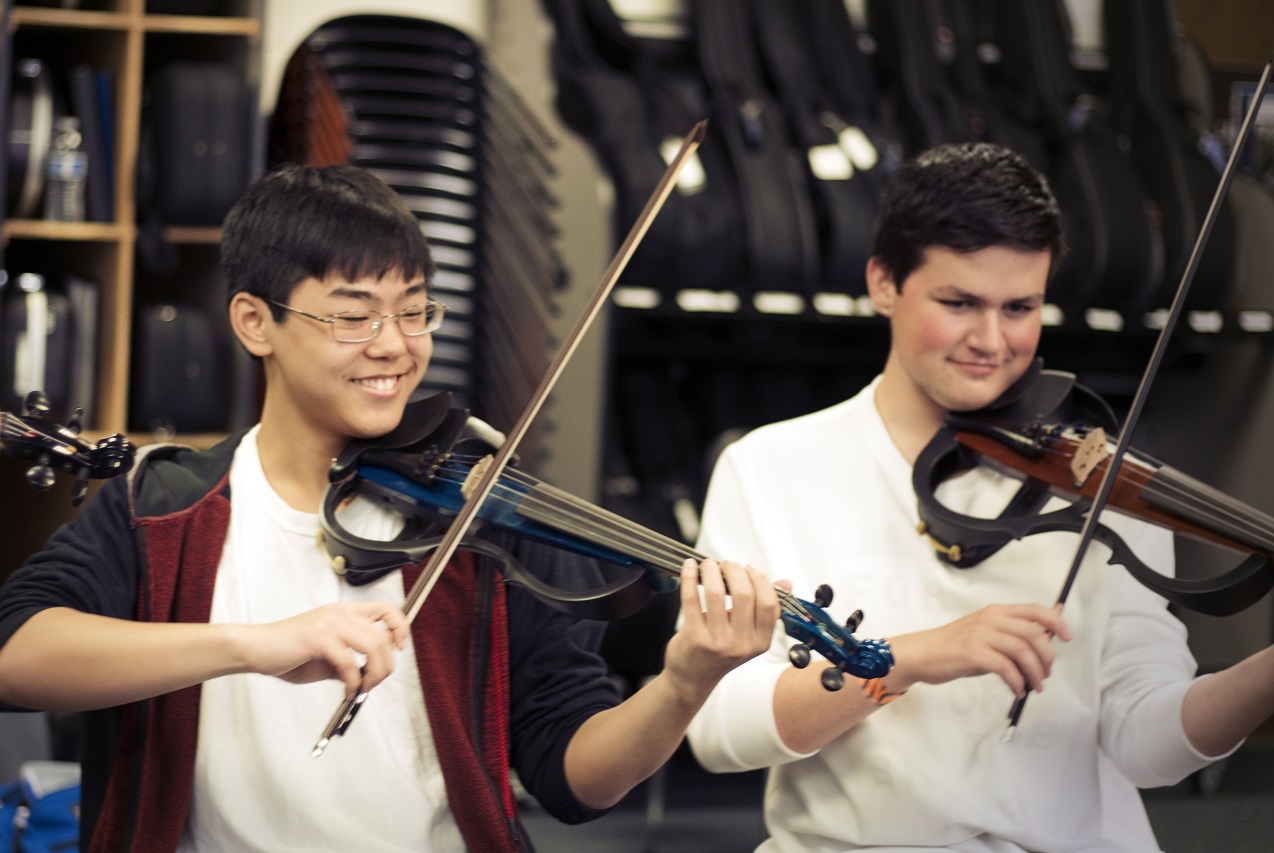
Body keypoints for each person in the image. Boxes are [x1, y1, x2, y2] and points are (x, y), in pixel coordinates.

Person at [0, 163, 781, 852]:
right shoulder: (164, 507)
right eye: (353, 315)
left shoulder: (477, 524)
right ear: (253, 322)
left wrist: (684, 685)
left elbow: (576, 782)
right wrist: (251, 644)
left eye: (414, 311)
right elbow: (17, 657)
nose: (394, 344)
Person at [685, 142, 1274, 852]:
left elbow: (1146, 744)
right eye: (959, 303)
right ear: (882, 282)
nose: (992, 341)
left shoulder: (1101, 484)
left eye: (1020, 306)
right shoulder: (770, 467)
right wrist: (907, 657)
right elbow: (719, 732)